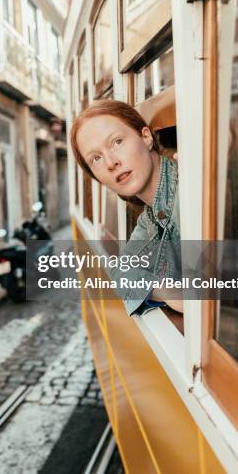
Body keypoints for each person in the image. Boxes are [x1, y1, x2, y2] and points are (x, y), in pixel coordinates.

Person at [70, 99, 183, 315]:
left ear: (146, 137)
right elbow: (121, 274)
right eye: (96, 158)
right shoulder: (151, 217)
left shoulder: (186, 189)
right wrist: (165, 291)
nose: (111, 162)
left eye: (117, 142)